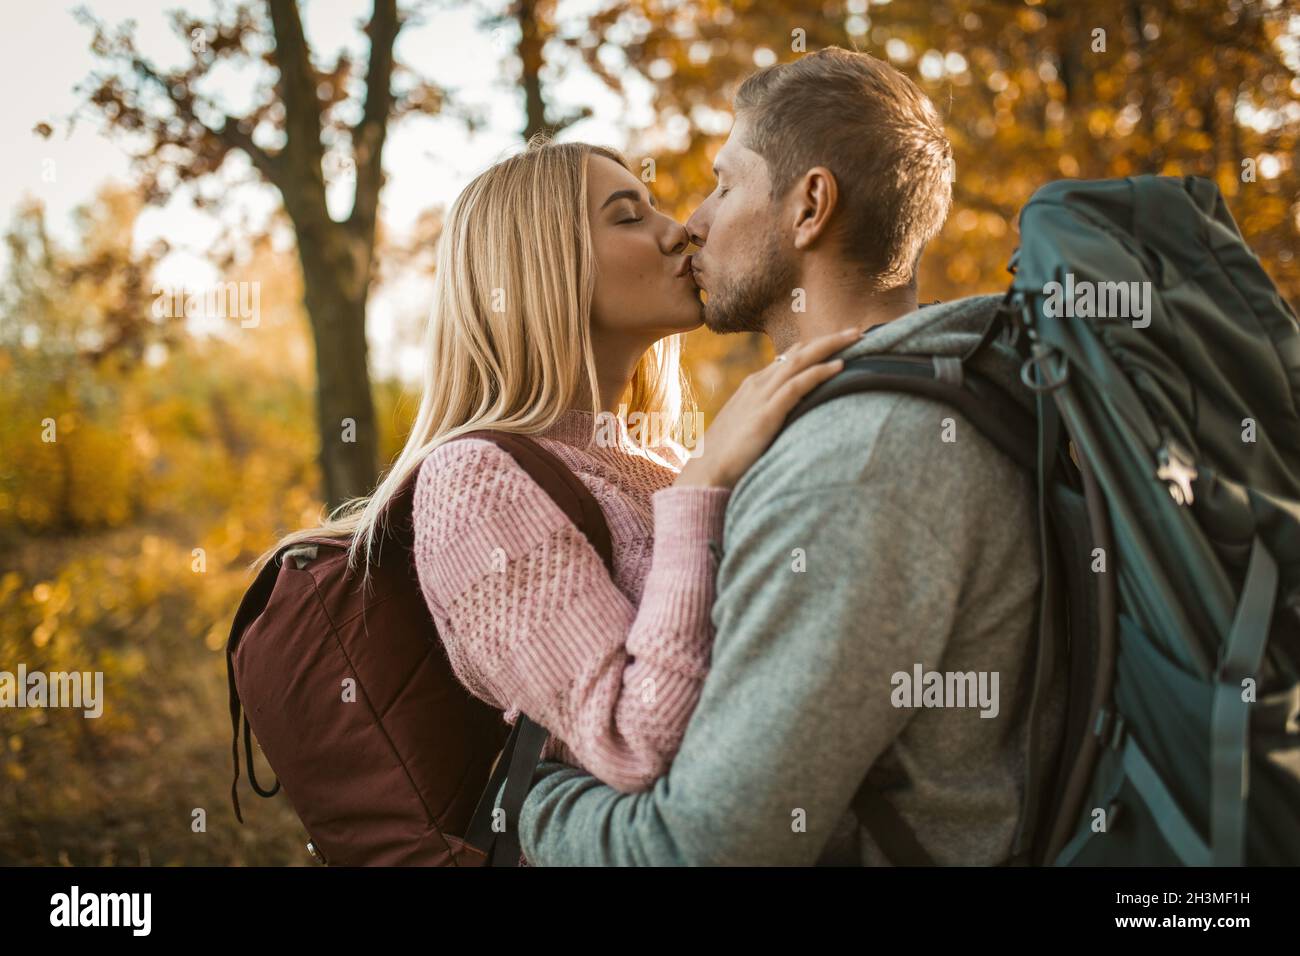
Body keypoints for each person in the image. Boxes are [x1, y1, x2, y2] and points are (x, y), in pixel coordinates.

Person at [518, 47, 1068, 865]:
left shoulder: (860, 462)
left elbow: (698, 850)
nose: (694, 221)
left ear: (809, 206)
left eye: (725, 183)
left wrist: (530, 800)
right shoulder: (938, 400)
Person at [260, 138, 853, 803]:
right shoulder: (473, 483)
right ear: (541, 266)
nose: (679, 231)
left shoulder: (657, 461)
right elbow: (631, 744)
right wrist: (705, 487)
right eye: (628, 216)